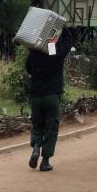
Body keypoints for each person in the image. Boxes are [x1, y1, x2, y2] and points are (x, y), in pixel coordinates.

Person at [25, 28, 75, 171]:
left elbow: (28, 68)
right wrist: (63, 29)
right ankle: (45, 161)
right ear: (53, 39)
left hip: (36, 97)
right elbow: (68, 42)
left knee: (37, 125)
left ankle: (35, 148)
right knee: (51, 128)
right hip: (52, 96)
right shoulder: (56, 53)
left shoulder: (34, 53)